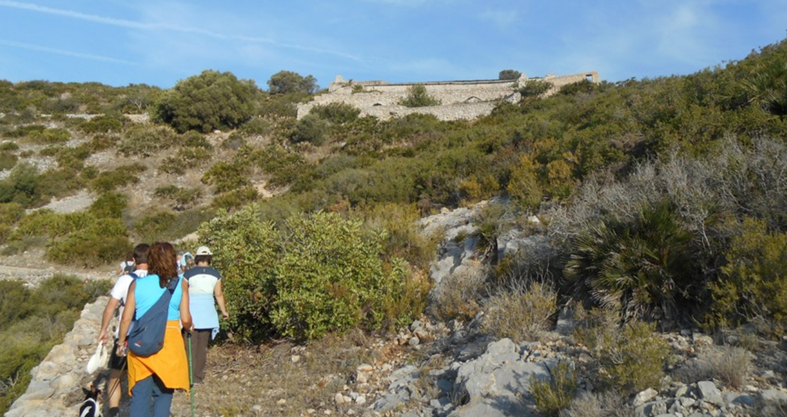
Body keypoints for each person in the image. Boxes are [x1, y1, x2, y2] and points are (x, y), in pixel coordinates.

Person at [117, 242, 192, 417]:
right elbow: (186, 319)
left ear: (151, 260)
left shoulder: (137, 284)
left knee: (140, 394)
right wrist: (189, 327)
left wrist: (122, 342)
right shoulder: (181, 284)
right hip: (169, 343)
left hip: (142, 340)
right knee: (164, 394)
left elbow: (126, 319)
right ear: (173, 260)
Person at [98, 243, 150, 417]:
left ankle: (113, 410)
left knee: (114, 375)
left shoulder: (125, 280)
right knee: (143, 375)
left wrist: (103, 329)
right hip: (148, 334)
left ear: (133, 260)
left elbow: (110, 306)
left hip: (125, 334)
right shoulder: (158, 279)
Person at [183, 245, 229, 384]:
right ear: (209, 258)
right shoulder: (215, 274)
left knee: (189, 346)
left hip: (191, 313)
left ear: (196, 258)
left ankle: (187, 378)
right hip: (207, 313)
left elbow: (183, 294)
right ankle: (197, 377)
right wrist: (223, 311)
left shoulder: (188, 275)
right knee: (202, 348)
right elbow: (218, 294)